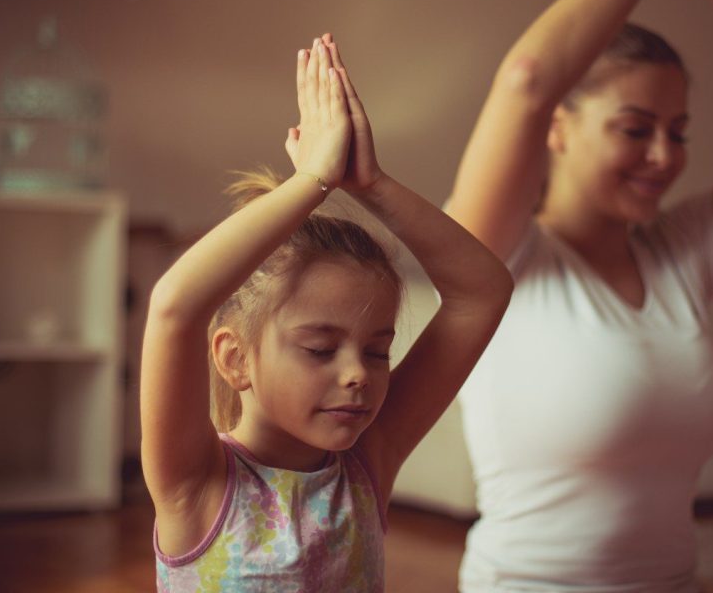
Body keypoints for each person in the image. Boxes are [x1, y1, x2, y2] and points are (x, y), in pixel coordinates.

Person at [446, 0, 713, 591]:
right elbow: (529, 77)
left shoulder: (684, 250)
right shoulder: (493, 250)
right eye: (635, 130)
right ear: (560, 130)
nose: (663, 156)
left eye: (679, 133)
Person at [140, 34, 512, 592]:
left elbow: (483, 291)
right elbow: (174, 307)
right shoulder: (196, 484)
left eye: (378, 350)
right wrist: (311, 180)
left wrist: (372, 185)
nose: (359, 372)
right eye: (320, 348)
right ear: (235, 357)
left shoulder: (367, 465)